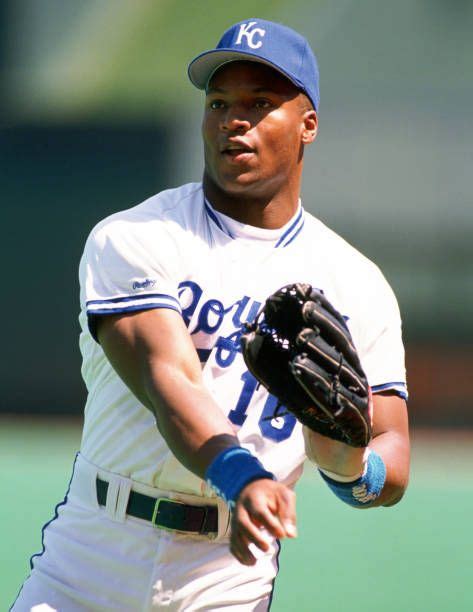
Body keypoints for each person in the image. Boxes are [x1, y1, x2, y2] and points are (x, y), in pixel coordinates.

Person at [12, 18, 410, 611]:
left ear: (308, 125)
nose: (234, 120)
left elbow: (392, 442)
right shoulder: (136, 235)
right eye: (219, 102)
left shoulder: (357, 282)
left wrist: (355, 471)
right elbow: (166, 376)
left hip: (228, 574)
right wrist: (242, 476)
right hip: (93, 553)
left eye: (259, 103)